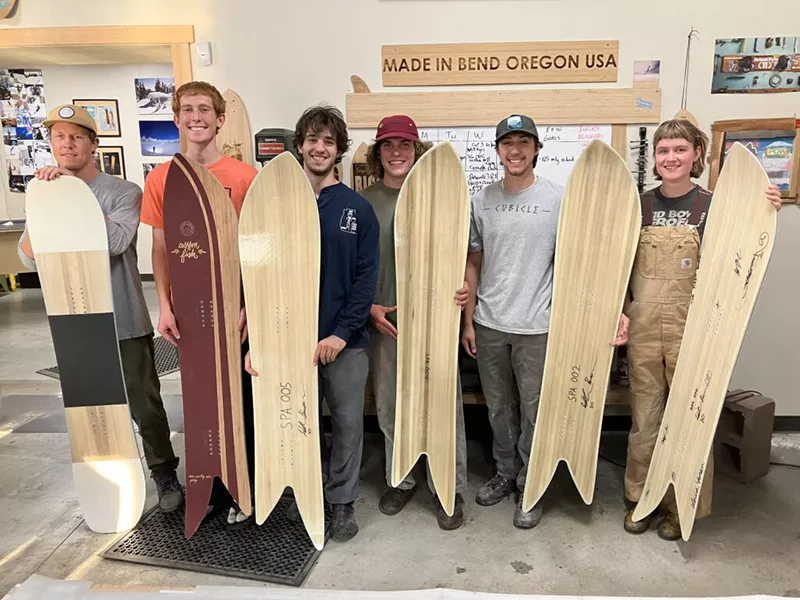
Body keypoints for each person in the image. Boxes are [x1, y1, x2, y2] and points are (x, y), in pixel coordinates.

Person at [462, 114, 629, 530]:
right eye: (507, 143)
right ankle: (505, 471)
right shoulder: (481, 200)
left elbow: (582, 260)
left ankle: (530, 483)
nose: (515, 150)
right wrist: (468, 323)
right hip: (490, 322)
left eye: (523, 142)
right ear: (497, 150)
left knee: (536, 411)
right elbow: (474, 262)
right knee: (498, 409)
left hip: (538, 326)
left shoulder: (560, 198)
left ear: (537, 148)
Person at [17, 104, 183, 513]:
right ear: (52, 143)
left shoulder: (123, 192)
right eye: (60, 137)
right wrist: (53, 202)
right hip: (74, 321)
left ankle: (164, 473)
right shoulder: (44, 192)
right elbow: (29, 256)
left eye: (76, 137)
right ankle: (105, 480)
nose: (68, 144)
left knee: (145, 403)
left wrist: (73, 203)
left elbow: (114, 243)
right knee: (91, 405)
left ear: (93, 143)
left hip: (124, 316)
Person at [623, 118, 782, 540]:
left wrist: (766, 204)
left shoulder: (715, 205)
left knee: (692, 416)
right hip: (643, 326)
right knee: (644, 419)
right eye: (663, 151)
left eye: (679, 150)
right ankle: (642, 498)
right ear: (654, 158)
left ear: (696, 155)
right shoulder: (638, 205)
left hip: (692, 327)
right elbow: (620, 270)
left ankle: (682, 504)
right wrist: (622, 312)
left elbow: (747, 248)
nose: (670, 158)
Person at [246, 105, 379, 542]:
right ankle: (298, 489)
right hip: (288, 339)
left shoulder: (357, 209)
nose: (319, 148)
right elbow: (260, 272)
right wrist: (260, 339)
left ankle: (341, 502)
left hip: (345, 342)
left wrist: (341, 334)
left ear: (338, 150)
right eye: (312, 140)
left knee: (346, 424)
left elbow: (366, 280)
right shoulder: (276, 205)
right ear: (299, 145)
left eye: (328, 141)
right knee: (292, 417)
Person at [139, 81, 258, 527]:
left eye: (205, 109)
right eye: (187, 109)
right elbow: (160, 247)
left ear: (220, 119)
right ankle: (204, 486)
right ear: (176, 118)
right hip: (189, 315)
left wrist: (253, 306)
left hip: (236, 314)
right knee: (198, 402)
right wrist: (165, 305)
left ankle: (239, 490)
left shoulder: (244, 178)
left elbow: (256, 249)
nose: (196, 117)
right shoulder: (160, 178)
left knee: (238, 402)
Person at [360, 115, 470, 530]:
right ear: (378, 153)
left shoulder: (443, 197)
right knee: (391, 403)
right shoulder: (365, 201)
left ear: (416, 149)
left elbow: (464, 255)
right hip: (386, 321)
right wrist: (370, 307)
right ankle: (402, 479)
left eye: (404, 145)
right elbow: (355, 265)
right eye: (388, 145)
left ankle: (450, 485)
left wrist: (463, 292)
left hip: (436, 322)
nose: (396, 152)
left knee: (444, 402)